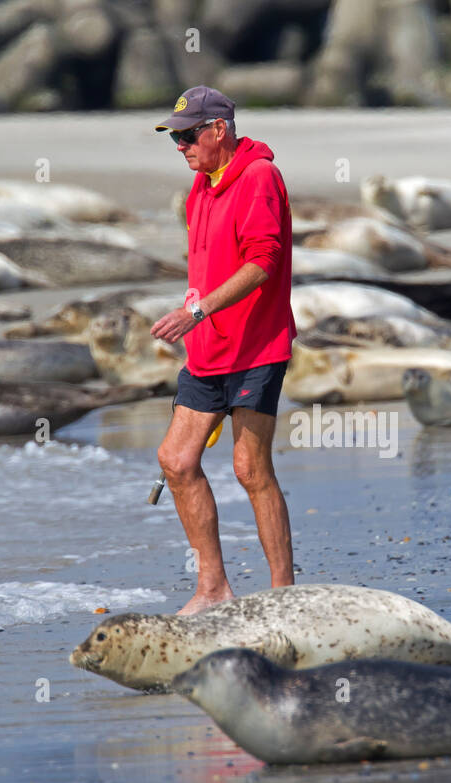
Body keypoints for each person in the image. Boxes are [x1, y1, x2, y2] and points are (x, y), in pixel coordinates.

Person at [151, 86, 296, 614]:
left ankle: (284, 596)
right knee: (176, 458)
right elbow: (209, 266)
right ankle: (212, 588)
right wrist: (193, 312)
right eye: (176, 138)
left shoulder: (259, 177)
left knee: (250, 468)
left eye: (189, 136)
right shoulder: (201, 187)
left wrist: (196, 312)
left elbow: (262, 264)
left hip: (258, 347)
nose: (182, 147)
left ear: (219, 130)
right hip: (208, 351)